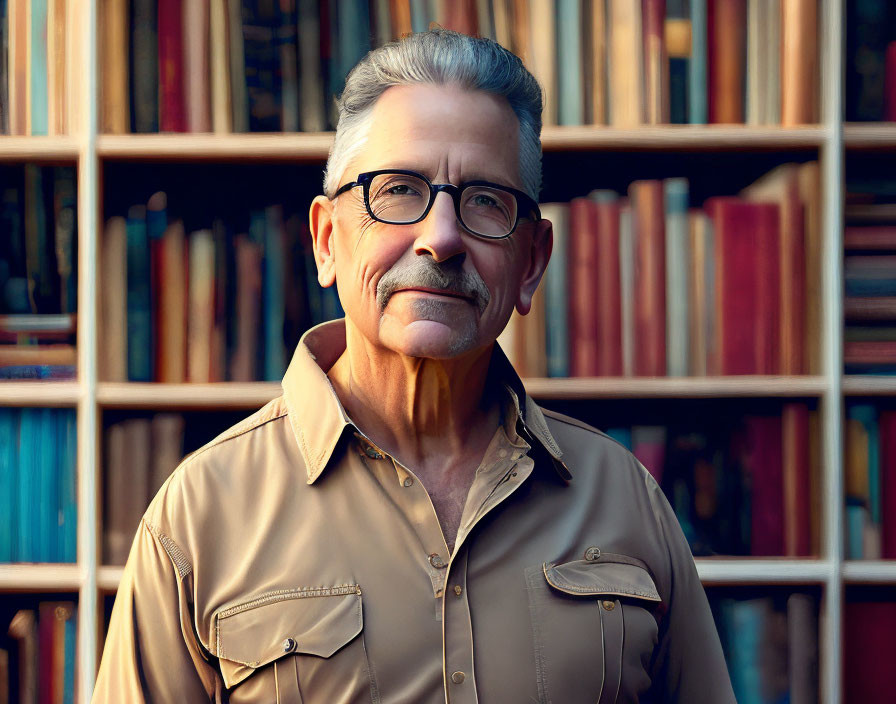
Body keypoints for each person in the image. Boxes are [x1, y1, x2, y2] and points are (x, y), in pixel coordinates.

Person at [93, 29, 735, 703]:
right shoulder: (200, 516)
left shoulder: (627, 501)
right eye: (397, 190)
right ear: (326, 240)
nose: (442, 237)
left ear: (532, 264)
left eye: (486, 199)